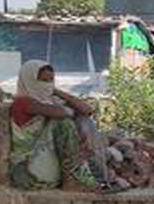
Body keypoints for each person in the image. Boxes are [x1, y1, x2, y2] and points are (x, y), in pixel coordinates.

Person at [8, 60, 113, 193]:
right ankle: (73, 180)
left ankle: (89, 175)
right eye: (43, 80)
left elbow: (87, 110)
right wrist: (70, 111)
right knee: (63, 123)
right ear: (29, 80)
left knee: (83, 120)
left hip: (48, 167)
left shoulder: (50, 100)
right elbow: (62, 113)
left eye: (51, 80)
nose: (47, 85)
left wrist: (57, 92)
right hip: (29, 171)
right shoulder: (22, 102)